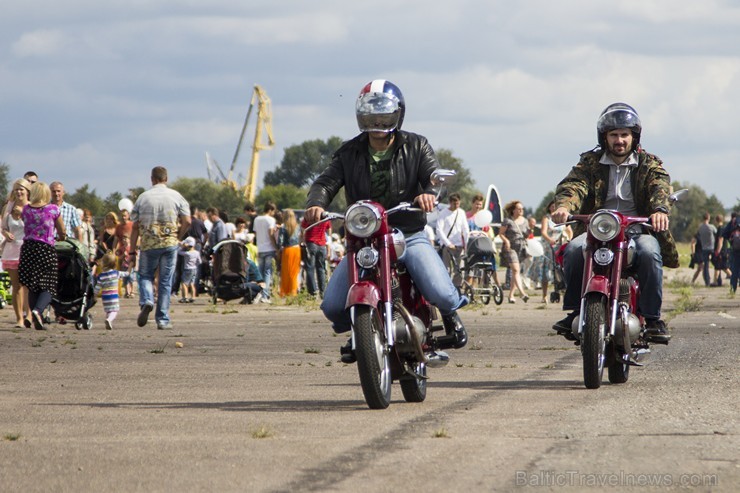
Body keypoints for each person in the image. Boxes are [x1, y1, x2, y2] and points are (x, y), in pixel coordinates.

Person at [304, 79, 468, 363]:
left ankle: (450, 316)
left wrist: (429, 194)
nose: (377, 120)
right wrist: (316, 204)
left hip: (408, 232)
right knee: (331, 306)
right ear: (360, 115)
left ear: (398, 114)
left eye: (383, 114)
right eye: (371, 114)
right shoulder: (348, 152)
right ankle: (363, 331)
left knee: (442, 293)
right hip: (364, 238)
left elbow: (432, 176)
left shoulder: (416, 145)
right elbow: (325, 183)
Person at [551, 103, 678, 343]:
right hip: (598, 229)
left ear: (634, 136)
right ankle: (576, 312)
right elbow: (573, 185)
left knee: (650, 252)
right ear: (604, 137)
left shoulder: (648, 163)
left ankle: (653, 319)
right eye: (613, 135)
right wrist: (564, 207)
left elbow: (659, 187)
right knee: (574, 250)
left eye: (624, 134)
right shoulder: (590, 162)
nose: (619, 140)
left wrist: (660, 210)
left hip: (636, 229)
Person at [129, 166, 191, 330]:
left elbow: (134, 225)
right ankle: (163, 319)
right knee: (165, 281)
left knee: (144, 276)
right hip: (169, 243)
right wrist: (178, 236)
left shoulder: (143, 197)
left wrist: (131, 250)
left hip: (149, 244)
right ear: (166, 178)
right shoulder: (176, 196)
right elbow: (188, 221)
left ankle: (147, 300)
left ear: (152, 179)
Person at [19, 182, 67, 330]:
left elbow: (27, 225)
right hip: (45, 249)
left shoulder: (26, 210)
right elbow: (62, 231)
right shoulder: (52, 209)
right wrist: (61, 238)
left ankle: (35, 318)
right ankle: (37, 311)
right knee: (49, 285)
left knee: (32, 284)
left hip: (28, 249)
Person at [1, 178, 32, 327]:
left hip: (28, 250)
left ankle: (30, 315)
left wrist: (24, 214)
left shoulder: (32, 207)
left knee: (28, 285)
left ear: (27, 192)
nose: (19, 192)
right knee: (16, 286)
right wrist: (5, 233)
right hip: (12, 251)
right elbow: (3, 227)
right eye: (16, 190)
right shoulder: (8, 207)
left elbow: (35, 227)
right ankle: (19, 318)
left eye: (22, 189)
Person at [529, 203, 572, 303]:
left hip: (559, 245)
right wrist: (550, 240)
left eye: (556, 206)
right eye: (552, 206)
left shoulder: (563, 218)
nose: (554, 207)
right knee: (546, 272)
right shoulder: (547, 218)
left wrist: (569, 238)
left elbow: (569, 230)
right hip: (548, 246)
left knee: (560, 271)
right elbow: (543, 232)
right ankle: (544, 295)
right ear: (549, 207)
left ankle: (562, 292)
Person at [498, 200, 530, 304]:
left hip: (520, 248)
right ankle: (522, 293)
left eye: (522, 208)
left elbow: (525, 235)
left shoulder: (525, 221)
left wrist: (530, 231)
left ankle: (511, 295)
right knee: (516, 270)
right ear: (513, 210)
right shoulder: (507, 221)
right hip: (510, 248)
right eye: (519, 208)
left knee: (515, 272)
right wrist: (506, 240)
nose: (521, 210)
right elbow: (501, 233)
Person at [436, 192, 469, 288]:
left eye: (458, 203)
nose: (456, 205)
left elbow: (465, 229)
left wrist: (466, 244)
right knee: (447, 268)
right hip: (447, 245)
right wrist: (448, 243)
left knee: (459, 269)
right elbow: (439, 230)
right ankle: (446, 287)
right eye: (454, 203)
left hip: (459, 245)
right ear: (450, 202)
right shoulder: (443, 214)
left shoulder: (461, 212)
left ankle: (456, 287)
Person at [252, 202, 278, 303]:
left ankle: (258, 293)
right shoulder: (271, 220)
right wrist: (275, 247)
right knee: (267, 272)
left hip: (260, 248)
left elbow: (256, 233)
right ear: (271, 210)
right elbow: (271, 234)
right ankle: (265, 295)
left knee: (260, 274)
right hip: (269, 248)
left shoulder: (257, 219)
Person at [300, 214, 331, 298]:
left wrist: (302, 242)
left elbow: (303, 231)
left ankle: (312, 292)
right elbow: (329, 231)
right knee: (321, 269)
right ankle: (323, 292)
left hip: (311, 243)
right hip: (322, 245)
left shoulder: (307, 218)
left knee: (310, 268)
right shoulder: (325, 218)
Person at [278, 209, 301, 297]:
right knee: (295, 272)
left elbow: (280, 241)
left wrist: (279, 248)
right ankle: (293, 291)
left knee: (286, 271)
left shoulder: (283, 227)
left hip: (287, 250)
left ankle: (285, 291)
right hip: (296, 249)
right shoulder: (297, 226)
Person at [94, 251, 120, 330]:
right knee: (114, 310)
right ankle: (109, 320)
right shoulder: (116, 273)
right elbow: (126, 274)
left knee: (108, 310)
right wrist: (130, 268)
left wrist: (94, 295)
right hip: (114, 295)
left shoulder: (101, 276)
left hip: (105, 296)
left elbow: (97, 287)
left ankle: (108, 321)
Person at [718, 211, 739, 294]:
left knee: (734, 269)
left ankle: (733, 289)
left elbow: (724, 234)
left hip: (735, 249)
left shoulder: (732, 223)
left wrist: (731, 240)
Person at [178, 237, 200, 303]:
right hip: (194, 269)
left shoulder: (187, 253)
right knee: (192, 283)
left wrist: (181, 246)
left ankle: (185, 297)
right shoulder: (197, 253)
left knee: (184, 283)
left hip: (187, 269)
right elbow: (200, 261)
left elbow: (179, 252)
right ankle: (193, 297)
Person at [711, 214, 731, 286]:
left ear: (716, 220)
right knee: (720, 266)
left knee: (723, 267)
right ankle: (715, 281)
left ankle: (734, 279)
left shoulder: (720, 229)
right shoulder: (724, 228)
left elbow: (720, 240)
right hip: (724, 250)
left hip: (721, 251)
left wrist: (717, 251)